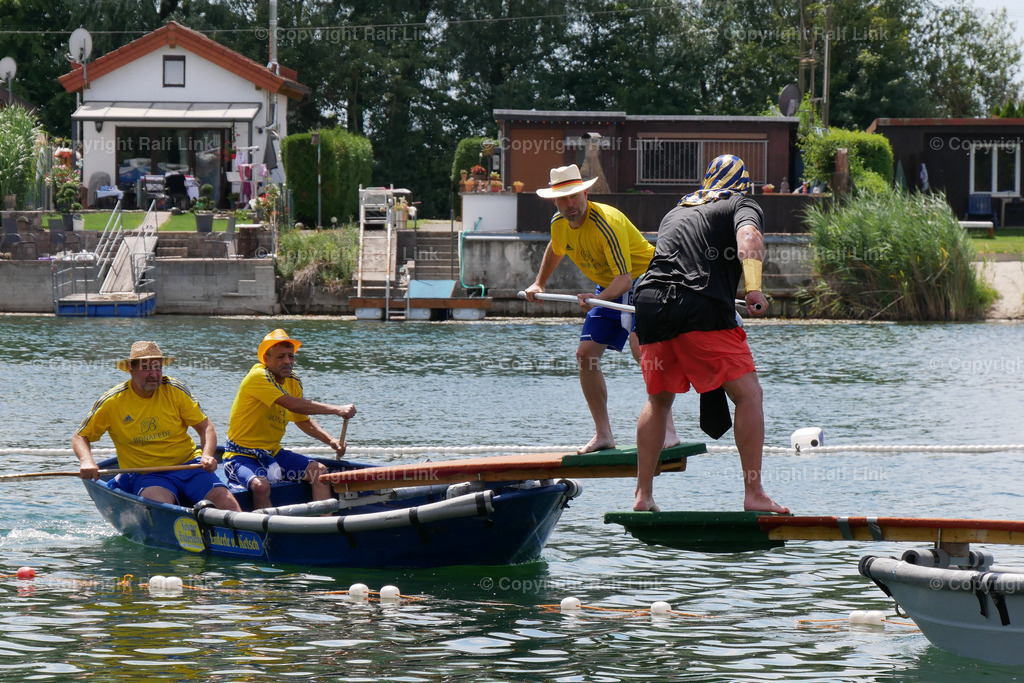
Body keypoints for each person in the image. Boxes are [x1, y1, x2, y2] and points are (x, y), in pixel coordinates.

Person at [632, 155, 788, 514]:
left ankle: (643, 495)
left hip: (651, 304)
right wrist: (753, 288)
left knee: (659, 400)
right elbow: (749, 236)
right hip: (698, 304)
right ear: (743, 186)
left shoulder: (676, 210)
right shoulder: (740, 202)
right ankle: (754, 494)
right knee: (749, 395)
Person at [525, 164, 677, 454]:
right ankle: (603, 434)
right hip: (610, 286)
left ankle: (668, 431)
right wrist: (539, 283)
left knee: (640, 348)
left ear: (585, 192)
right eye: (562, 199)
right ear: (554, 201)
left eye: (574, 196)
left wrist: (594, 300)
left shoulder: (605, 222)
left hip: (647, 280)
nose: (570, 204)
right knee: (585, 356)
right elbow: (557, 248)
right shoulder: (559, 222)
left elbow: (625, 279)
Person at [73, 341, 241, 511]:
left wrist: (207, 455)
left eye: (158, 368)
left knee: (226, 501)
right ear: (131, 369)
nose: (154, 374)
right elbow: (80, 437)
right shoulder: (112, 401)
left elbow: (206, 427)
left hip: (189, 465)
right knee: (162, 507)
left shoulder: (175, 390)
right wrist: (86, 461)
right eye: (146, 368)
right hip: (148, 474)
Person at [223, 329, 357, 510]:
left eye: (291, 356)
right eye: (280, 357)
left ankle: (323, 526)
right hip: (241, 455)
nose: (287, 361)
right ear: (266, 359)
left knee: (320, 472)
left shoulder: (293, 381)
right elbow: (293, 405)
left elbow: (301, 419)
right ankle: (267, 534)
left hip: (272, 452)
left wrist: (331, 440)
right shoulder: (258, 376)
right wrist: (337, 409)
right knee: (261, 486)